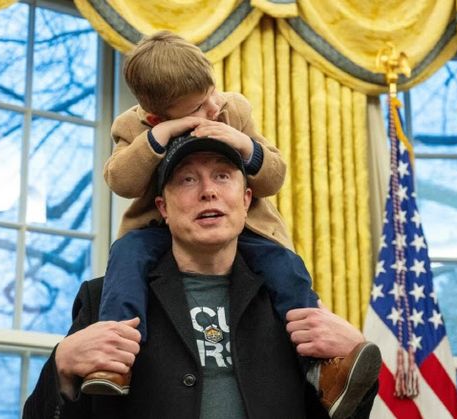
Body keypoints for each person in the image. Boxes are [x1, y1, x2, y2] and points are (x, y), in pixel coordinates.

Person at [89, 30, 378, 411]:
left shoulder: (231, 110)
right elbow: (121, 182)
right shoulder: (133, 127)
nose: (213, 107)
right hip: (159, 232)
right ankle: (115, 360)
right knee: (126, 255)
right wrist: (160, 136)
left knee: (285, 266)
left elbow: (273, 178)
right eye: (198, 107)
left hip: (248, 231)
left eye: (212, 92)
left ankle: (323, 367)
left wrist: (244, 144)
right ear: (157, 116)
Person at [23, 136, 380, 419]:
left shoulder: (291, 303)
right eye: (188, 179)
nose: (208, 190)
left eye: (222, 176)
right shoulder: (103, 300)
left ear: (246, 200)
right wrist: (61, 369)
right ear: (163, 207)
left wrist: (353, 354)